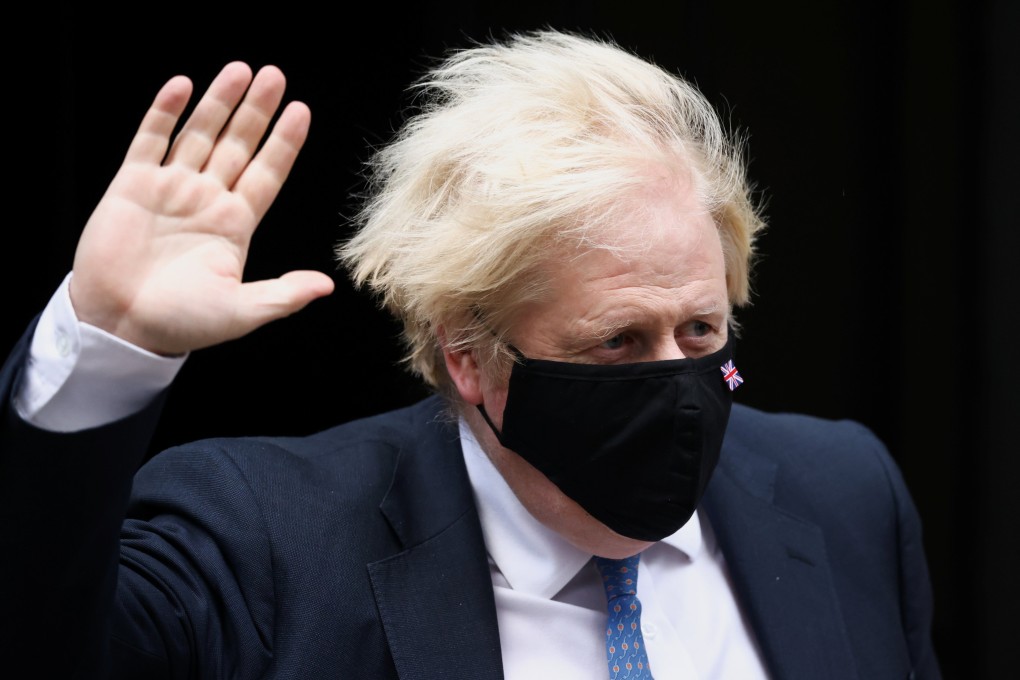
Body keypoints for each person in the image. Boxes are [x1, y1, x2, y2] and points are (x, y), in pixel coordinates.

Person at [0, 30, 940, 679]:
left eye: (701, 332)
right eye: (617, 341)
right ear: (469, 359)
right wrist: (107, 349)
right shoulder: (266, 543)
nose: (679, 381)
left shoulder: (843, 491)